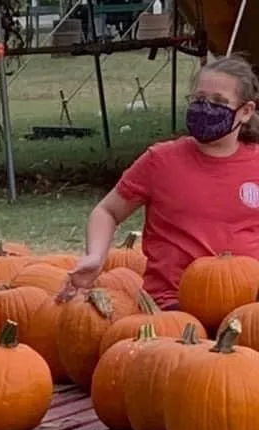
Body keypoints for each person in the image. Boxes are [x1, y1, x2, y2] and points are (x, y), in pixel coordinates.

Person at [63, 56, 259, 311]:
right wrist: (95, 256)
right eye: (199, 100)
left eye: (219, 102)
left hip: (248, 303)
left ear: (245, 111)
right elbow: (107, 211)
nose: (206, 108)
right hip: (173, 304)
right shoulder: (161, 160)